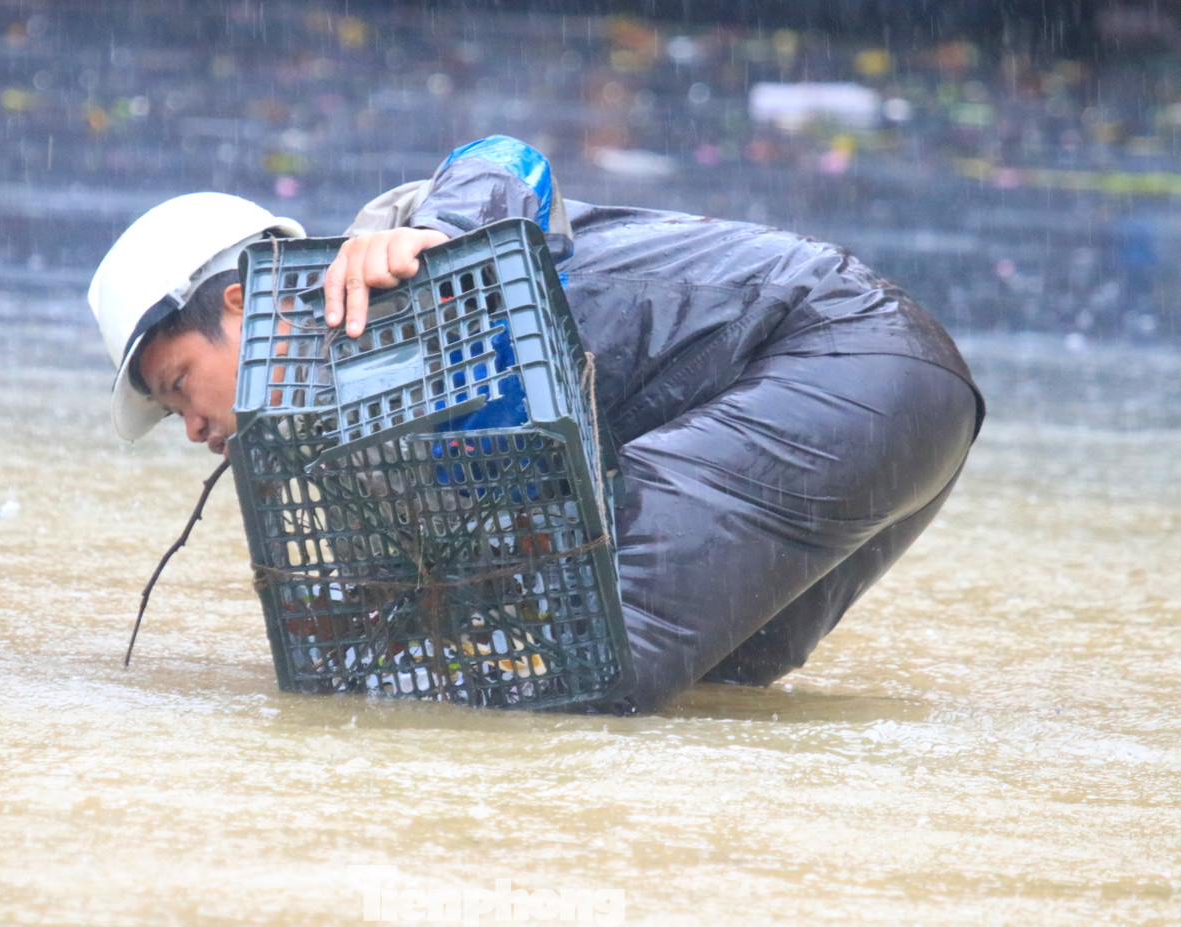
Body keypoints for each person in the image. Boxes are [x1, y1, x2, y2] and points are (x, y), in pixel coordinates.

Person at [88, 135, 984, 713]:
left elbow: (506, 160)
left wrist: (438, 232)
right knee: (720, 690)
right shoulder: (345, 449)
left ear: (242, 305)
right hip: (892, 416)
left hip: (848, 355)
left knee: (599, 670)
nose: (191, 427)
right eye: (171, 414)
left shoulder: (385, 259)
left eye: (179, 384)